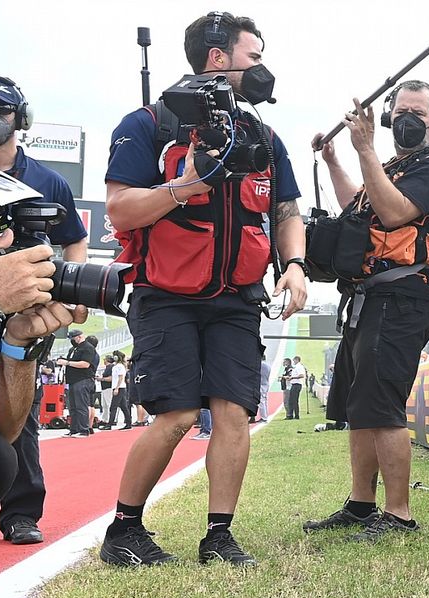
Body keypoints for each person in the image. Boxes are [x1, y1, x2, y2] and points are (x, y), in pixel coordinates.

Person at [98, 12, 307, 567]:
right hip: (165, 293)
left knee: (234, 412)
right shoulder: (147, 124)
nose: (262, 69)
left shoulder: (262, 133)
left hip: (237, 297)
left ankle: (219, 536)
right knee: (177, 416)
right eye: (254, 57)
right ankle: (123, 530)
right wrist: (184, 186)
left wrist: (296, 263)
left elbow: (286, 208)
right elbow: (120, 207)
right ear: (219, 57)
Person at [304, 80, 429, 540]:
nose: (409, 119)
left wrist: (365, 149)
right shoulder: (393, 165)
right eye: (402, 110)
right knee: (360, 405)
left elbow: (394, 213)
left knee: (382, 405)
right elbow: (358, 205)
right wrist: (337, 159)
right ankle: (361, 504)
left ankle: (398, 513)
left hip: (403, 297)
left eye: (420, 112)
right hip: (366, 297)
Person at [0, 74, 89, 545]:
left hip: (26, 309)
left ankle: (21, 512)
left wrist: (74, 291)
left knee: (18, 415)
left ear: (20, 120)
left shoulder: (49, 180)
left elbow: (76, 239)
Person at [55, 330, 98, 438]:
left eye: (73, 339)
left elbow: (85, 364)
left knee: (81, 406)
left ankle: (83, 429)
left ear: (79, 337)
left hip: (83, 379)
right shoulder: (73, 349)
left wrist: (68, 363)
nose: (72, 341)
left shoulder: (88, 348)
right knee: (72, 407)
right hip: (72, 380)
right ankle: (73, 429)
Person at [105, 350, 132, 430]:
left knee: (113, 406)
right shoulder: (117, 366)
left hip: (119, 388)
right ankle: (128, 423)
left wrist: (116, 388)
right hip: (119, 387)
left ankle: (109, 424)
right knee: (123, 406)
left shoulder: (119, 366)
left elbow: (121, 377)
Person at [97, 355, 114, 430]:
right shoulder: (107, 368)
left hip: (109, 387)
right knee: (104, 405)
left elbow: (111, 378)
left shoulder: (111, 367)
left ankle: (110, 419)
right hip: (104, 388)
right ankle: (105, 419)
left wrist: (102, 379)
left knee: (108, 403)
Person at [286, 355, 306, 419]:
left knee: (294, 400)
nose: (293, 361)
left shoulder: (299, 367)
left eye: (294, 360)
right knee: (291, 400)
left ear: (297, 360)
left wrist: (292, 377)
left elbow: (301, 375)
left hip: (297, 384)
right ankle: (291, 415)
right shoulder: (296, 367)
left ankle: (296, 415)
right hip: (294, 384)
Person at [253, 354, 270, 423]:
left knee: (261, 401)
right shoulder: (268, 365)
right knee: (264, 400)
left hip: (261, 384)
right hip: (265, 383)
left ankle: (264, 417)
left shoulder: (261, 365)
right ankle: (265, 416)